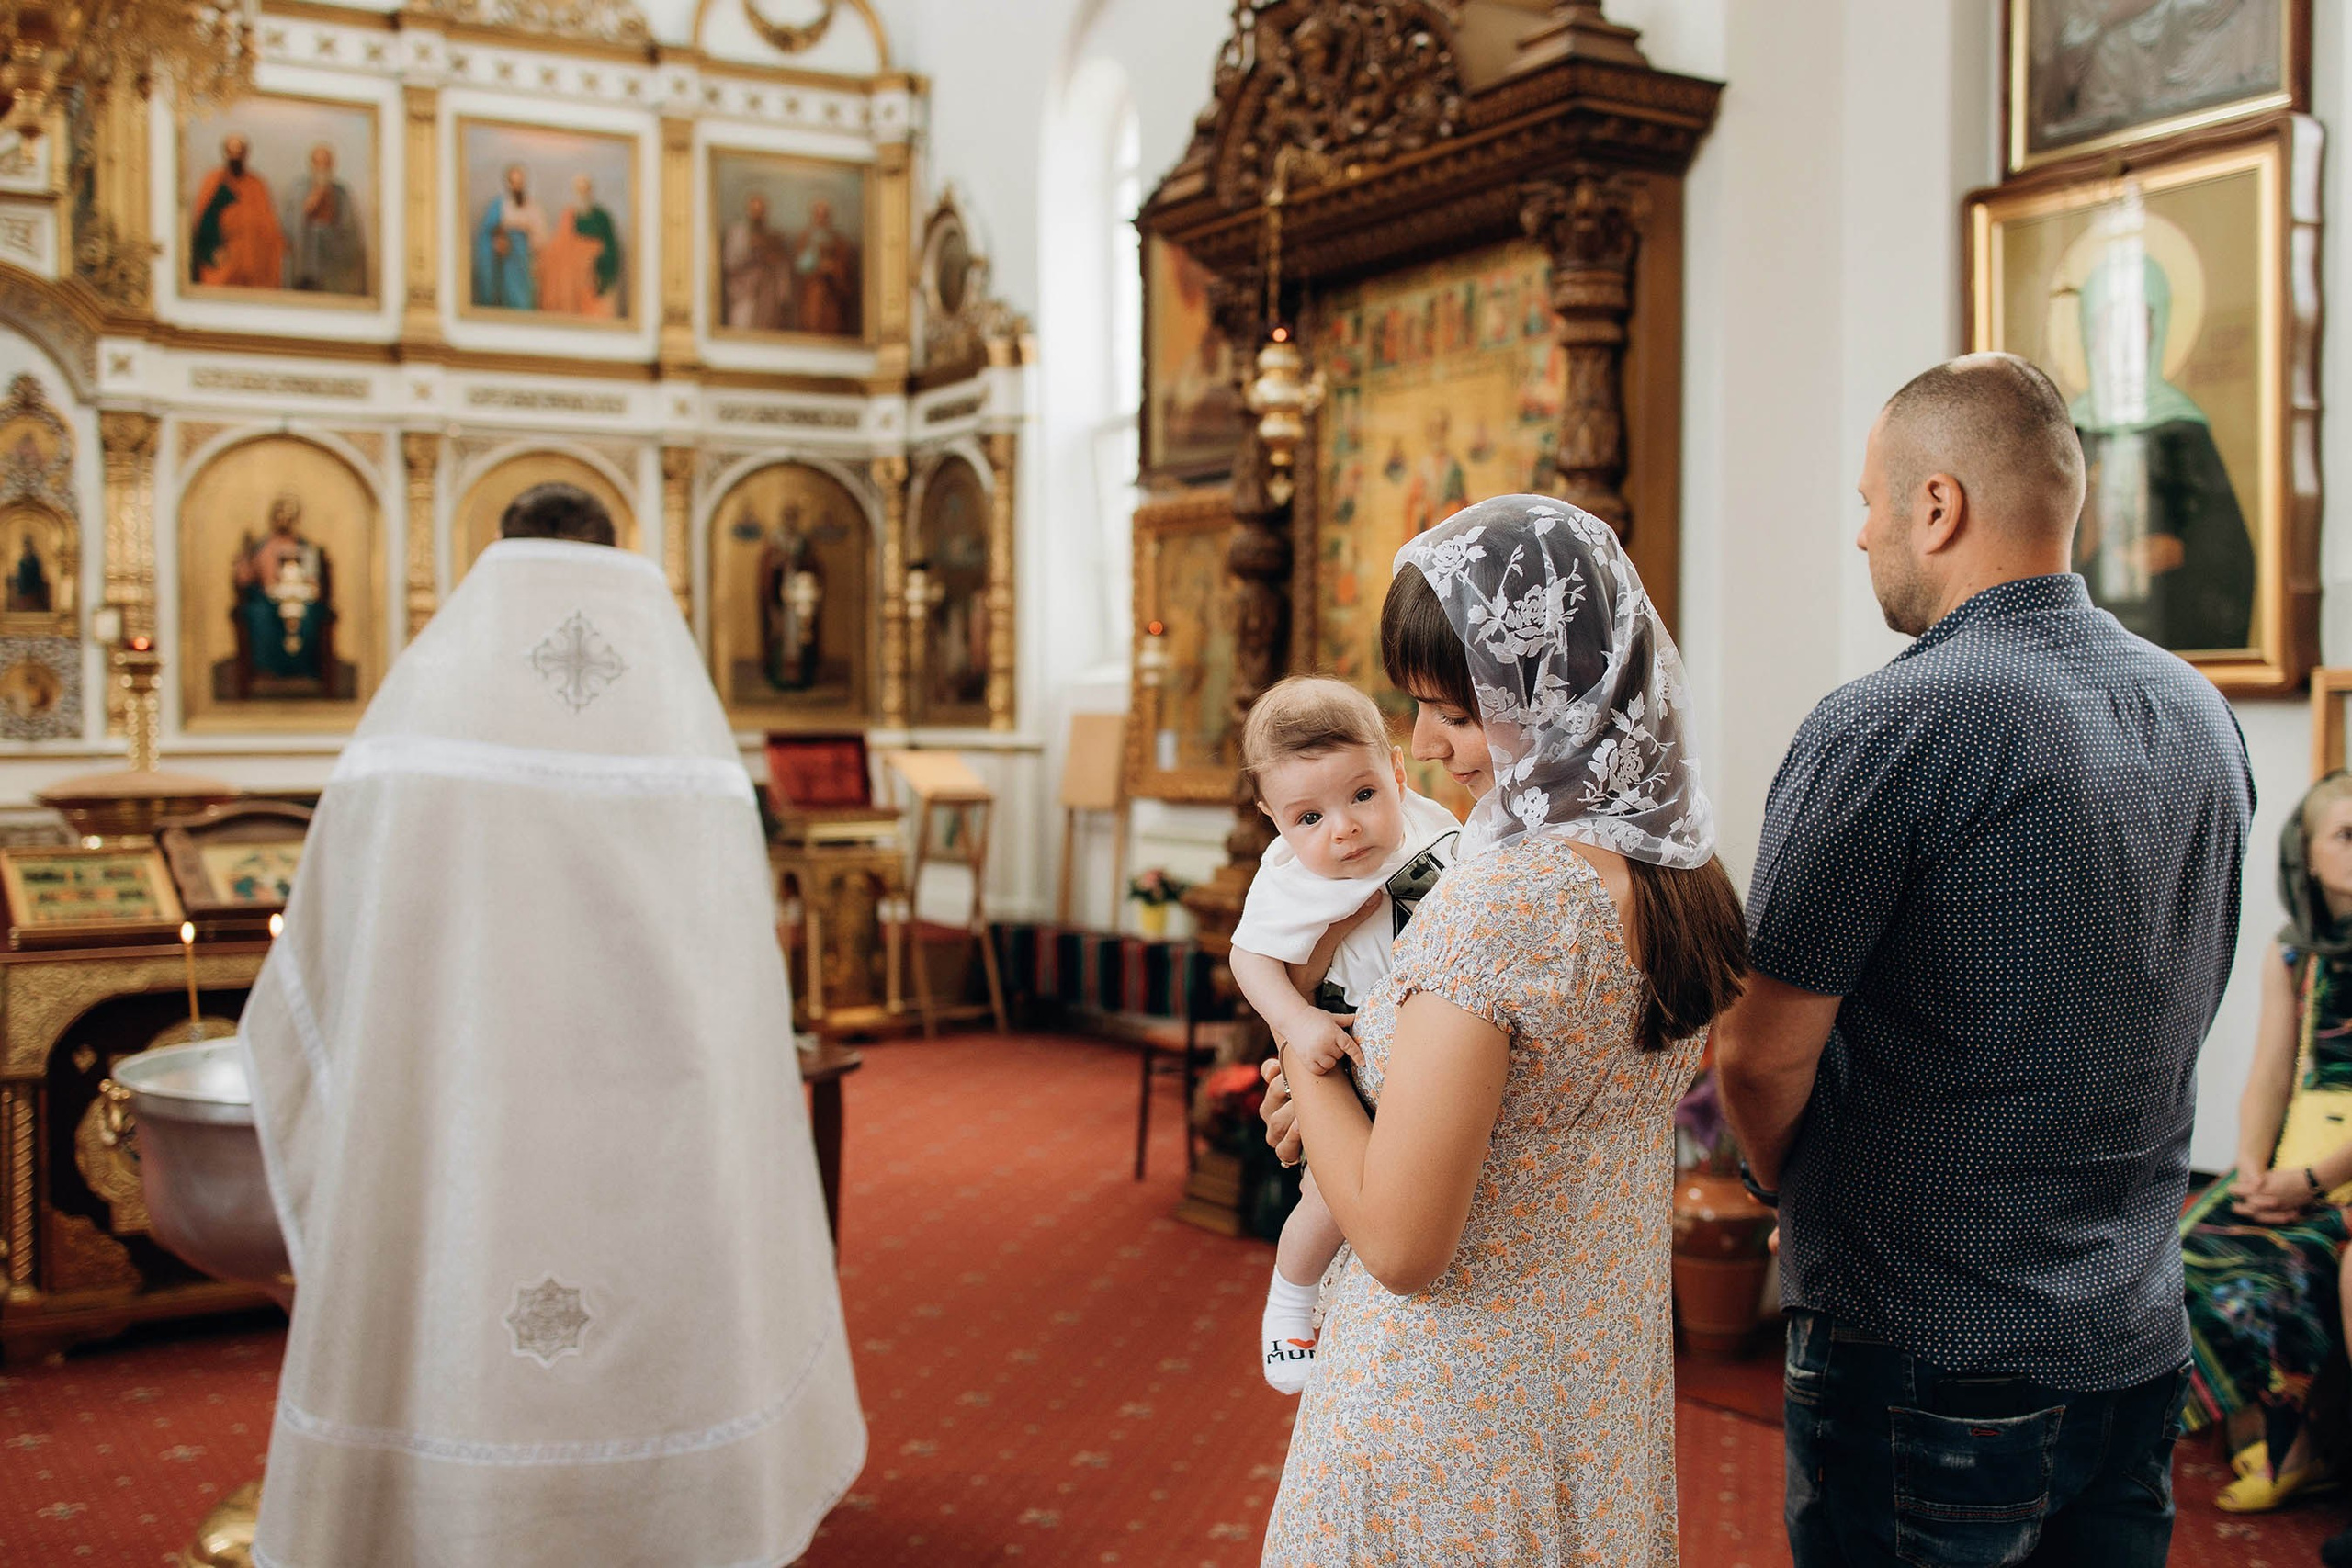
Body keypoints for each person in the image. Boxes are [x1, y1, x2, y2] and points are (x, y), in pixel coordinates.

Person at [240, 483, 865, 1566]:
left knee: (461, 1280)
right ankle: (671, 1520)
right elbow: (740, 970)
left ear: (500, 556)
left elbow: (328, 959)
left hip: (467, 1108)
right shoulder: (689, 737)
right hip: (655, 1109)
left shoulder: (422, 721)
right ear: (615, 556)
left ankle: (444, 1522)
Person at [1715, 352, 2254, 1568]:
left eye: (1869, 502)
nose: (1862, 534)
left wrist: (1783, 1179)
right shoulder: (2199, 713)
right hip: (2134, 1332)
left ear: (1938, 504)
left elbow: (1756, 1054)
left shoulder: (1889, 722)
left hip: (1927, 1344)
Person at [1257, 496, 1747, 1564]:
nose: (1427, 745)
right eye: (1417, 706)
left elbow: (1400, 1243)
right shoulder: (1683, 876)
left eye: (1459, 711)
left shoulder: (1504, 902)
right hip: (1594, 1384)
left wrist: (1305, 1056)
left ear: (1564, 692)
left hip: (1447, 1407)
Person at [1227, 676, 1460, 1394]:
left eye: (1362, 795)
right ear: (1274, 820)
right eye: (1308, 816)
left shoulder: (1431, 825)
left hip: (1434, 1051)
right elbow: (1250, 958)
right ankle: (1290, 1299)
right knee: (1332, 1200)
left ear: (1397, 771)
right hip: (1352, 1061)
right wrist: (1297, 1023)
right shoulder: (1291, 879)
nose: (1344, 828)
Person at [2182, 772, 2352, 1517]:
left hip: (2336, 1170)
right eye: (2346, 835)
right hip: (2295, 1157)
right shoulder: (2294, 954)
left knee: (2287, 1264)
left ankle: (2297, 1444)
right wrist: (2252, 1167)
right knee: (2183, 1250)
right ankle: (2258, 1429)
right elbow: (2270, 1075)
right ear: (2306, 854)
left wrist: (2309, 1182)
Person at [2071, 243, 2255, 651]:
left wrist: (2179, 552)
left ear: (2157, 330)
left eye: (2137, 323)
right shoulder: (2068, 433)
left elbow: (2230, 552)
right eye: (2110, 325)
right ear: (2089, 334)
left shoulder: (2182, 427)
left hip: (2170, 628)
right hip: (2081, 650)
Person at [189, 135, 286, 289]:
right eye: (231, 151)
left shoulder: (257, 183)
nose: (236, 155)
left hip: (253, 257)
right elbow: (204, 220)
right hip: (223, 255)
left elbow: (269, 222)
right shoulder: (214, 180)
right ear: (225, 153)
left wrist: (277, 245)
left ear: (246, 153)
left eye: (240, 151)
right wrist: (212, 249)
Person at [281, 142, 368, 297]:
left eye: (326, 163)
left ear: (332, 165)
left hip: (332, 260)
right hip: (305, 260)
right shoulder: (298, 188)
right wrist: (309, 205)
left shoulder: (341, 192)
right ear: (311, 164)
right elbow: (289, 225)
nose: (322, 168)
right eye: (318, 163)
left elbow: (349, 228)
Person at [537, 174, 623, 319]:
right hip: (572, 279)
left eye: (586, 190)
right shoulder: (569, 215)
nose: (583, 194)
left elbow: (610, 246)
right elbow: (558, 246)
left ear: (591, 191)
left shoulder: (602, 216)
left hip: (594, 272)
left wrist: (598, 264)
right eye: (579, 190)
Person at [473, 164, 545, 310]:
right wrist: (500, 238)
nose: (517, 186)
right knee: (506, 293)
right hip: (505, 258)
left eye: (520, 182)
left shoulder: (533, 206)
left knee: (524, 296)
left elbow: (539, 234)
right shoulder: (499, 205)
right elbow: (489, 229)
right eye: (513, 182)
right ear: (508, 183)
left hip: (524, 256)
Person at [723, 192, 793, 332]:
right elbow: (730, 263)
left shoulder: (772, 235)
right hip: (743, 294)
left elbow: (781, 267)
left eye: (761, 211)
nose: (757, 215)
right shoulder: (737, 233)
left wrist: (783, 295)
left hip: (767, 294)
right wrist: (750, 249)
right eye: (754, 211)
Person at [793, 197, 860, 336]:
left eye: (824, 215)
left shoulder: (838, 240)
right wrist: (818, 268)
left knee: (831, 325)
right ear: (813, 216)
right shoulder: (805, 238)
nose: (821, 219)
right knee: (811, 324)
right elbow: (800, 267)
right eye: (818, 215)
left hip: (832, 292)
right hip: (812, 291)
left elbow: (844, 267)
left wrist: (834, 268)